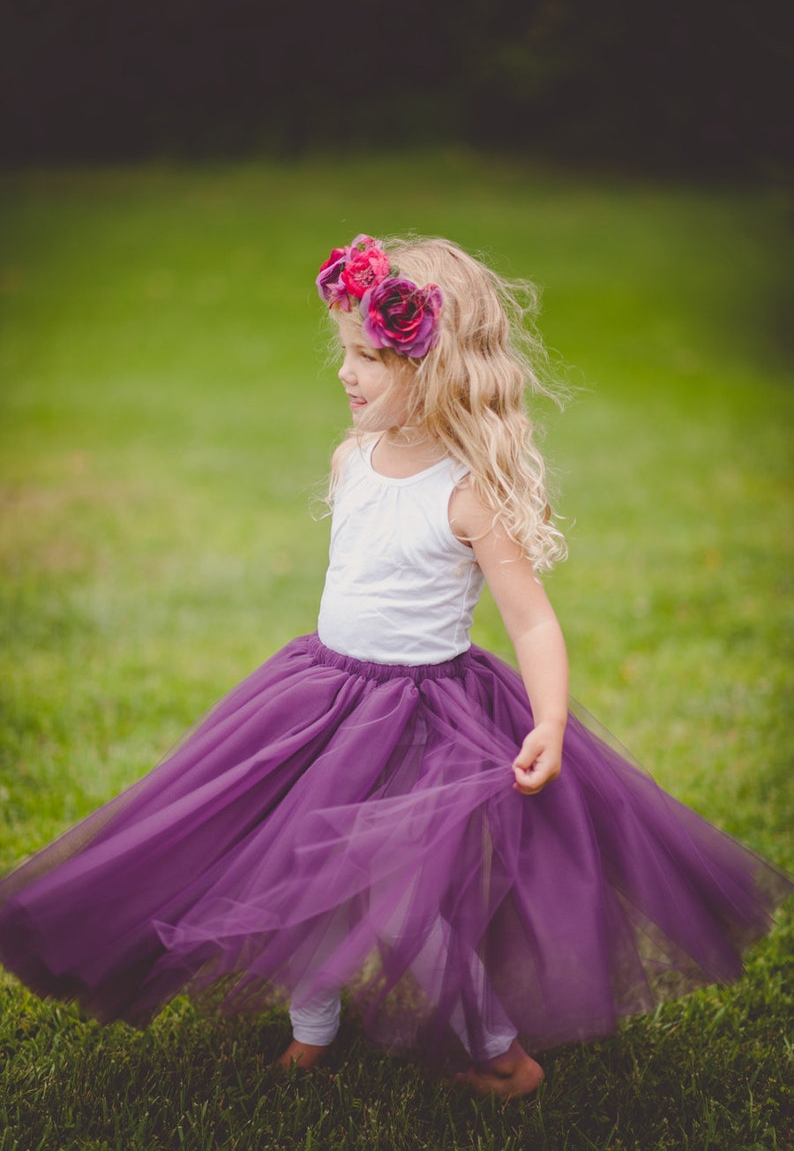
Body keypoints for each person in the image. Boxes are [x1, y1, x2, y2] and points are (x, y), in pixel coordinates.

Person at [0, 235, 790, 1100]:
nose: (347, 371)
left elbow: (530, 619)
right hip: (320, 700)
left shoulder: (466, 493)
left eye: (371, 356)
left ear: (441, 370)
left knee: (408, 905)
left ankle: (504, 1056)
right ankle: (314, 1024)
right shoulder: (353, 459)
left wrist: (551, 720)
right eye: (345, 349)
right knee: (305, 863)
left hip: (423, 722)